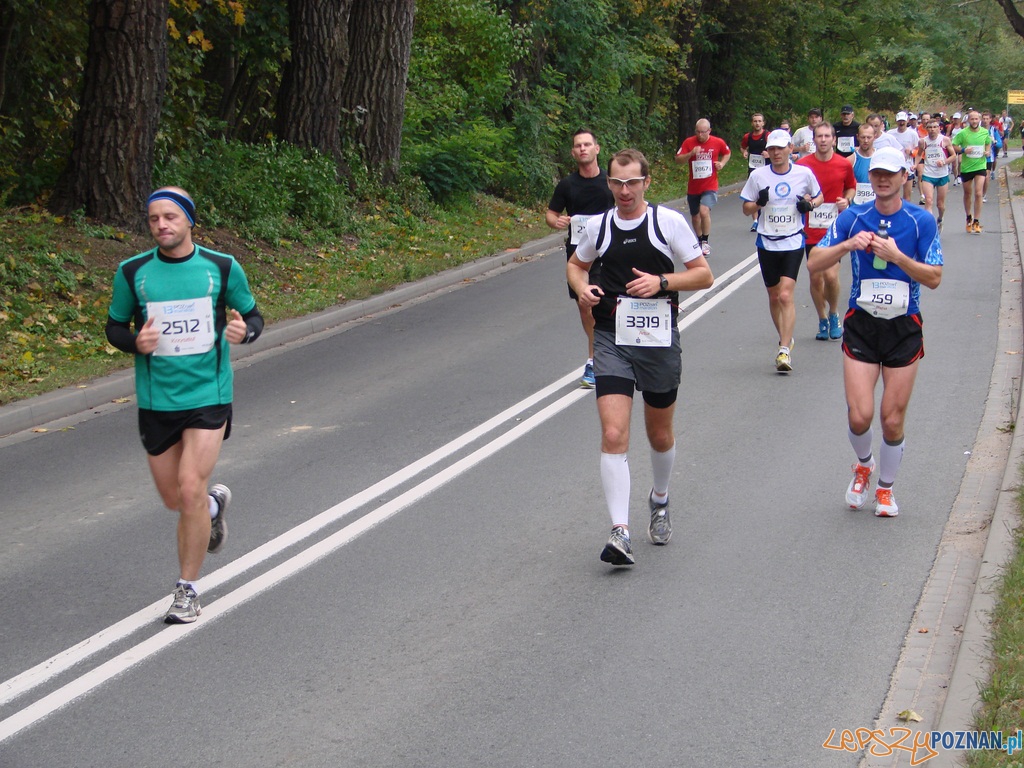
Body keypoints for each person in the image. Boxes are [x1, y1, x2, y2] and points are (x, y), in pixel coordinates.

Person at [105, 186, 264, 622]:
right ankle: (213, 508)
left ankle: (187, 591)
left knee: (190, 487)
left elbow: (253, 317)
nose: (161, 225)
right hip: (158, 400)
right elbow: (114, 326)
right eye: (154, 218)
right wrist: (135, 342)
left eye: (170, 217)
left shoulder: (222, 268)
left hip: (208, 396)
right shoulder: (132, 271)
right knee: (176, 498)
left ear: (189, 221)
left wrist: (242, 333)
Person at [567, 148, 713, 565]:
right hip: (611, 336)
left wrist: (662, 281)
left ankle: (660, 499)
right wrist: (581, 287)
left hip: (657, 338)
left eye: (632, 182)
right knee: (614, 434)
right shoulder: (599, 226)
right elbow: (577, 266)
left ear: (647, 182)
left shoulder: (666, 222)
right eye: (617, 182)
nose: (624, 190)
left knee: (659, 435)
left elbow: (703, 274)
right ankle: (620, 531)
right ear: (608, 184)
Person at [808, 147, 942, 518]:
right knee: (859, 416)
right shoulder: (853, 217)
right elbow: (815, 261)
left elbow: (934, 278)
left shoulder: (920, 221)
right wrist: (848, 244)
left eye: (890, 173)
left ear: (904, 176)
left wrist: (897, 257)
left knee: (892, 418)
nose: (882, 179)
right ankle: (863, 464)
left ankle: (885, 488)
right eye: (877, 173)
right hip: (862, 324)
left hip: (904, 326)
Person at [741, 129, 823, 372]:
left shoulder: (803, 173)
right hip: (767, 241)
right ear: (767, 151)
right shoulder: (758, 176)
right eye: (772, 149)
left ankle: (784, 350)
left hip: (793, 240)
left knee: (786, 295)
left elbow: (819, 197)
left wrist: (808, 204)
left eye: (780, 148)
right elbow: (746, 209)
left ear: (790, 148)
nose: (776, 153)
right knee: (774, 296)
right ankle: (785, 337)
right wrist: (759, 203)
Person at [547, 128, 616, 387]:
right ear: (573, 152)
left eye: (587, 144)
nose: (583, 149)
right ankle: (597, 355)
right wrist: (557, 221)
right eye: (578, 146)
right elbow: (551, 214)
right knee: (584, 305)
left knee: (599, 303)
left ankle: (595, 358)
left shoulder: (610, 182)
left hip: (608, 253)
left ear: (597, 149)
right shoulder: (567, 185)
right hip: (578, 255)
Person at [798, 122, 856, 341]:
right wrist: (803, 199)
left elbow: (851, 186)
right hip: (810, 228)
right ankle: (822, 318)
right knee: (815, 278)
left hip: (834, 228)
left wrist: (847, 200)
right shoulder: (803, 165)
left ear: (834, 139)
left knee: (831, 276)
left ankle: (833, 313)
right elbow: (795, 189)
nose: (823, 140)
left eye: (827, 136)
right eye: (819, 136)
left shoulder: (843, 164)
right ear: (814, 139)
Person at [675, 118, 731, 257]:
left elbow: (727, 153)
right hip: (694, 186)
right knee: (695, 217)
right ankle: (699, 240)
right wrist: (690, 154)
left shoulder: (717, 142)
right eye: (698, 132)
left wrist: (722, 164)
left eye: (703, 132)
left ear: (709, 131)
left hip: (710, 185)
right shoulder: (689, 142)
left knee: (704, 211)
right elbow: (678, 160)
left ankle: (705, 242)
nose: (700, 135)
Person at [952, 109, 991, 234]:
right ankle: (969, 217)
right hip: (967, 167)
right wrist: (963, 150)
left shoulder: (985, 132)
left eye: (976, 119)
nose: (974, 121)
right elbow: (954, 145)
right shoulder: (963, 133)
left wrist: (987, 152)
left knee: (978, 193)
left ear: (979, 120)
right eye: (972, 119)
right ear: (968, 120)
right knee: (968, 193)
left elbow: (988, 144)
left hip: (980, 166)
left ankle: (977, 221)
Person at [916, 117, 955, 229]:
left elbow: (953, 156)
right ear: (926, 129)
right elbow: (919, 154)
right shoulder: (923, 141)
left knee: (940, 204)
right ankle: (930, 226)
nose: (932, 129)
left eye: (935, 127)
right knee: (928, 201)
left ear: (939, 128)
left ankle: (940, 219)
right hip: (928, 174)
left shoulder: (945, 140)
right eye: (930, 127)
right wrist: (915, 164)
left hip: (942, 175)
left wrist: (944, 162)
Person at [741, 112, 770, 231]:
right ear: (752, 123)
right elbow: (743, 146)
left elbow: (775, 149)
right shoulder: (748, 136)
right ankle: (755, 221)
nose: (757, 123)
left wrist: (769, 154)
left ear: (763, 123)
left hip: (766, 168)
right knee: (753, 195)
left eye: (759, 121)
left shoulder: (768, 135)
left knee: (765, 193)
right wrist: (744, 152)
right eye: (755, 121)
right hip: (753, 168)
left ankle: (766, 217)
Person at [887, 112, 919, 200]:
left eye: (903, 121)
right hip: (893, 166)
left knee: (907, 195)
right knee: (892, 193)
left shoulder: (912, 134)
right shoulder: (890, 134)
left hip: (907, 165)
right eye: (899, 121)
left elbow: (918, 150)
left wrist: (912, 152)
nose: (901, 123)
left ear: (907, 121)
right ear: (896, 121)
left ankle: (905, 211)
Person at [848, 123, 878, 207]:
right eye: (863, 137)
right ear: (857, 137)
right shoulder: (850, 160)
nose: (866, 141)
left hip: (876, 208)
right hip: (856, 208)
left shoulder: (880, 158)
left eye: (869, 137)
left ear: (874, 137)